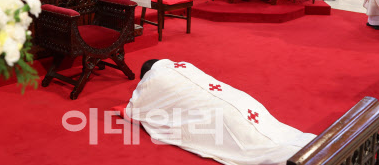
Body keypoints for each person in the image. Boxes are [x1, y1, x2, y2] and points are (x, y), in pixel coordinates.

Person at [127, 59, 316, 165]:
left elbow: (137, 107)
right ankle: (310, 146)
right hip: (240, 101)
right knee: (269, 130)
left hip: (217, 113)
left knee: (253, 143)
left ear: (146, 73)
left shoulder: (155, 77)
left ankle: (295, 155)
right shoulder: (183, 65)